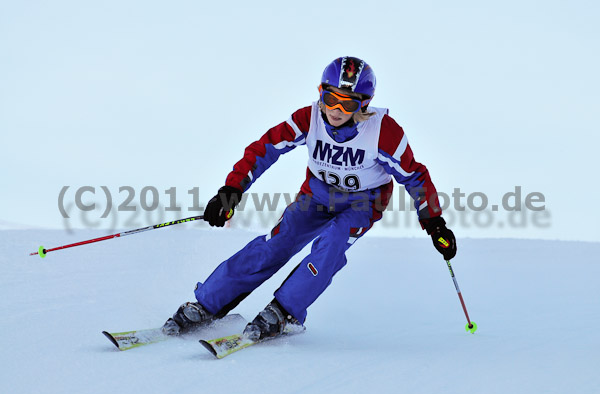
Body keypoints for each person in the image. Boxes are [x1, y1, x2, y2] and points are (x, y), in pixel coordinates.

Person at [162, 56, 457, 341]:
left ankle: (285, 311)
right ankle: (208, 303)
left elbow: (415, 175)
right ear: (321, 94)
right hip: (316, 196)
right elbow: (265, 148)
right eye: (330, 99)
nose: (336, 110)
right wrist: (232, 190)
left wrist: (434, 222)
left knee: (332, 242)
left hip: (363, 203)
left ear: (363, 104)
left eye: (348, 103)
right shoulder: (309, 118)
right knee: (277, 242)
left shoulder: (384, 133)